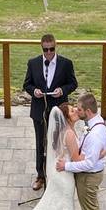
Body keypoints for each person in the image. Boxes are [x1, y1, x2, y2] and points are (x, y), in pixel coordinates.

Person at [57, 91, 106, 210]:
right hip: (89, 173)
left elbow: (88, 164)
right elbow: (91, 154)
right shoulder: (95, 123)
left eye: (79, 109)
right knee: (90, 207)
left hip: (89, 177)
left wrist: (66, 166)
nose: (77, 111)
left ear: (87, 111)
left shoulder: (94, 134)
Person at [23, 33, 78, 191]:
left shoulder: (66, 64)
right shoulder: (33, 63)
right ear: (41, 48)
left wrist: (62, 90)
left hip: (58, 111)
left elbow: (73, 83)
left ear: (56, 47)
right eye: (45, 50)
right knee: (41, 143)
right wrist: (35, 92)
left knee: (58, 144)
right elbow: (27, 84)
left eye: (51, 49)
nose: (48, 53)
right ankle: (40, 176)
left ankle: (55, 174)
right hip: (39, 111)